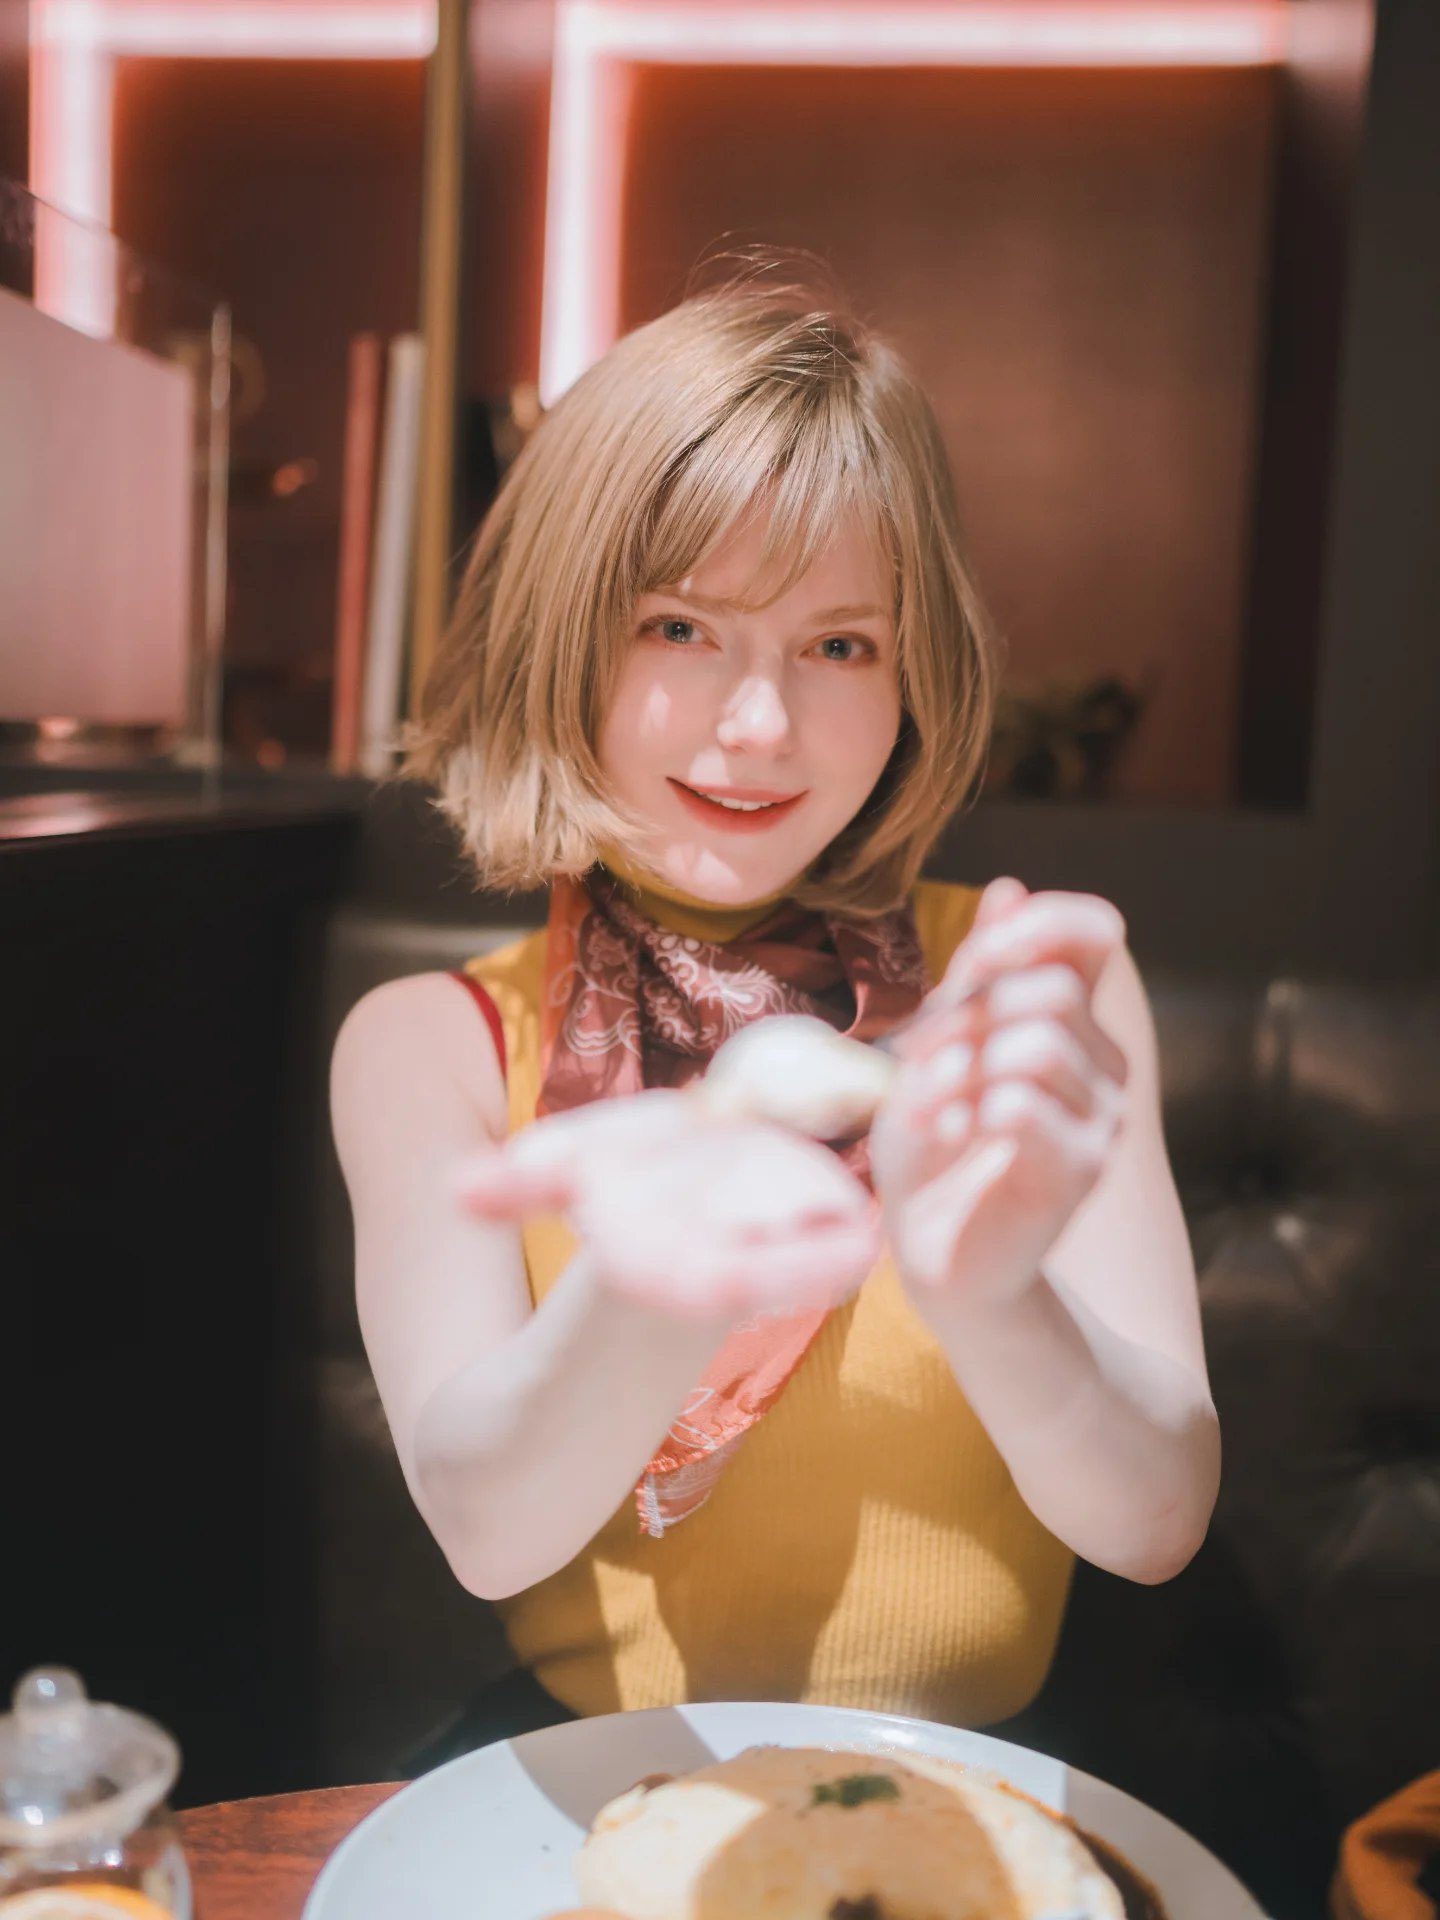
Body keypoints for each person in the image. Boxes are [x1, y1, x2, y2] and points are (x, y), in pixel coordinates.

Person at [330, 266, 1221, 1750]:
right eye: (681, 627)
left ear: (915, 672)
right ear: (565, 633)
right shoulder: (434, 1046)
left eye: (839, 645)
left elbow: (1157, 1519)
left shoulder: (1021, 990)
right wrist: (664, 1267)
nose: (759, 726)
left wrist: (986, 1287)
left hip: (974, 1793)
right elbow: (489, 1530)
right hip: (599, 1789)